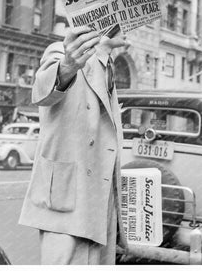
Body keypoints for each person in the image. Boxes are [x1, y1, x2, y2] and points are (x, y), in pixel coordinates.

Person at [19, 25, 129, 265]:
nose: (129, 28)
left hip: (99, 202)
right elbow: (42, 91)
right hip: (68, 200)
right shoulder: (62, 51)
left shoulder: (107, 65)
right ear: (106, 24)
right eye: (123, 22)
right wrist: (68, 65)